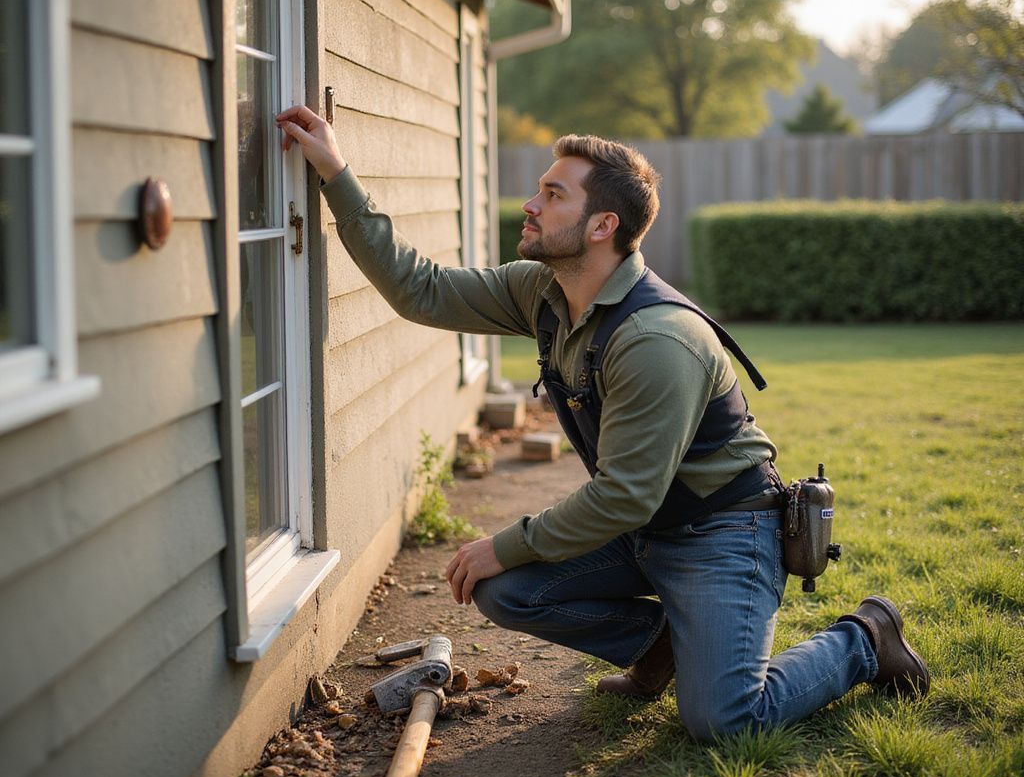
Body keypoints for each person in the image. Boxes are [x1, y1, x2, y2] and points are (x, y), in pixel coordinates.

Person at [276, 104, 930, 740]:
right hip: (643, 529)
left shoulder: (656, 340)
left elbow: (624, 494)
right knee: (503, 588)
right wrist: (337, 174)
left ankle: (864, 638)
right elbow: (420, 289)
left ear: (601, 225)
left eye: (552, 194)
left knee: (725, 720)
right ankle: (663, 645)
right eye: (538, 190)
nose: (530, 205)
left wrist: (501, 541)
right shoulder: (545, 292)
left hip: (724, 532)